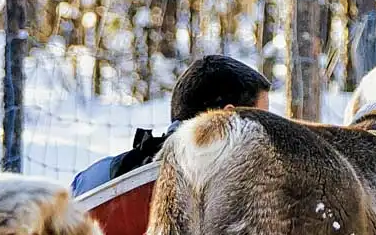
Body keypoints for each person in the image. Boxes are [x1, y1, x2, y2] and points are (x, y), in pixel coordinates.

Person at [70, 54, 271, 197]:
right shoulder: (251, 201)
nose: (268, 132)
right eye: (262, 120)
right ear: (228, 119)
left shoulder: (92, 182)